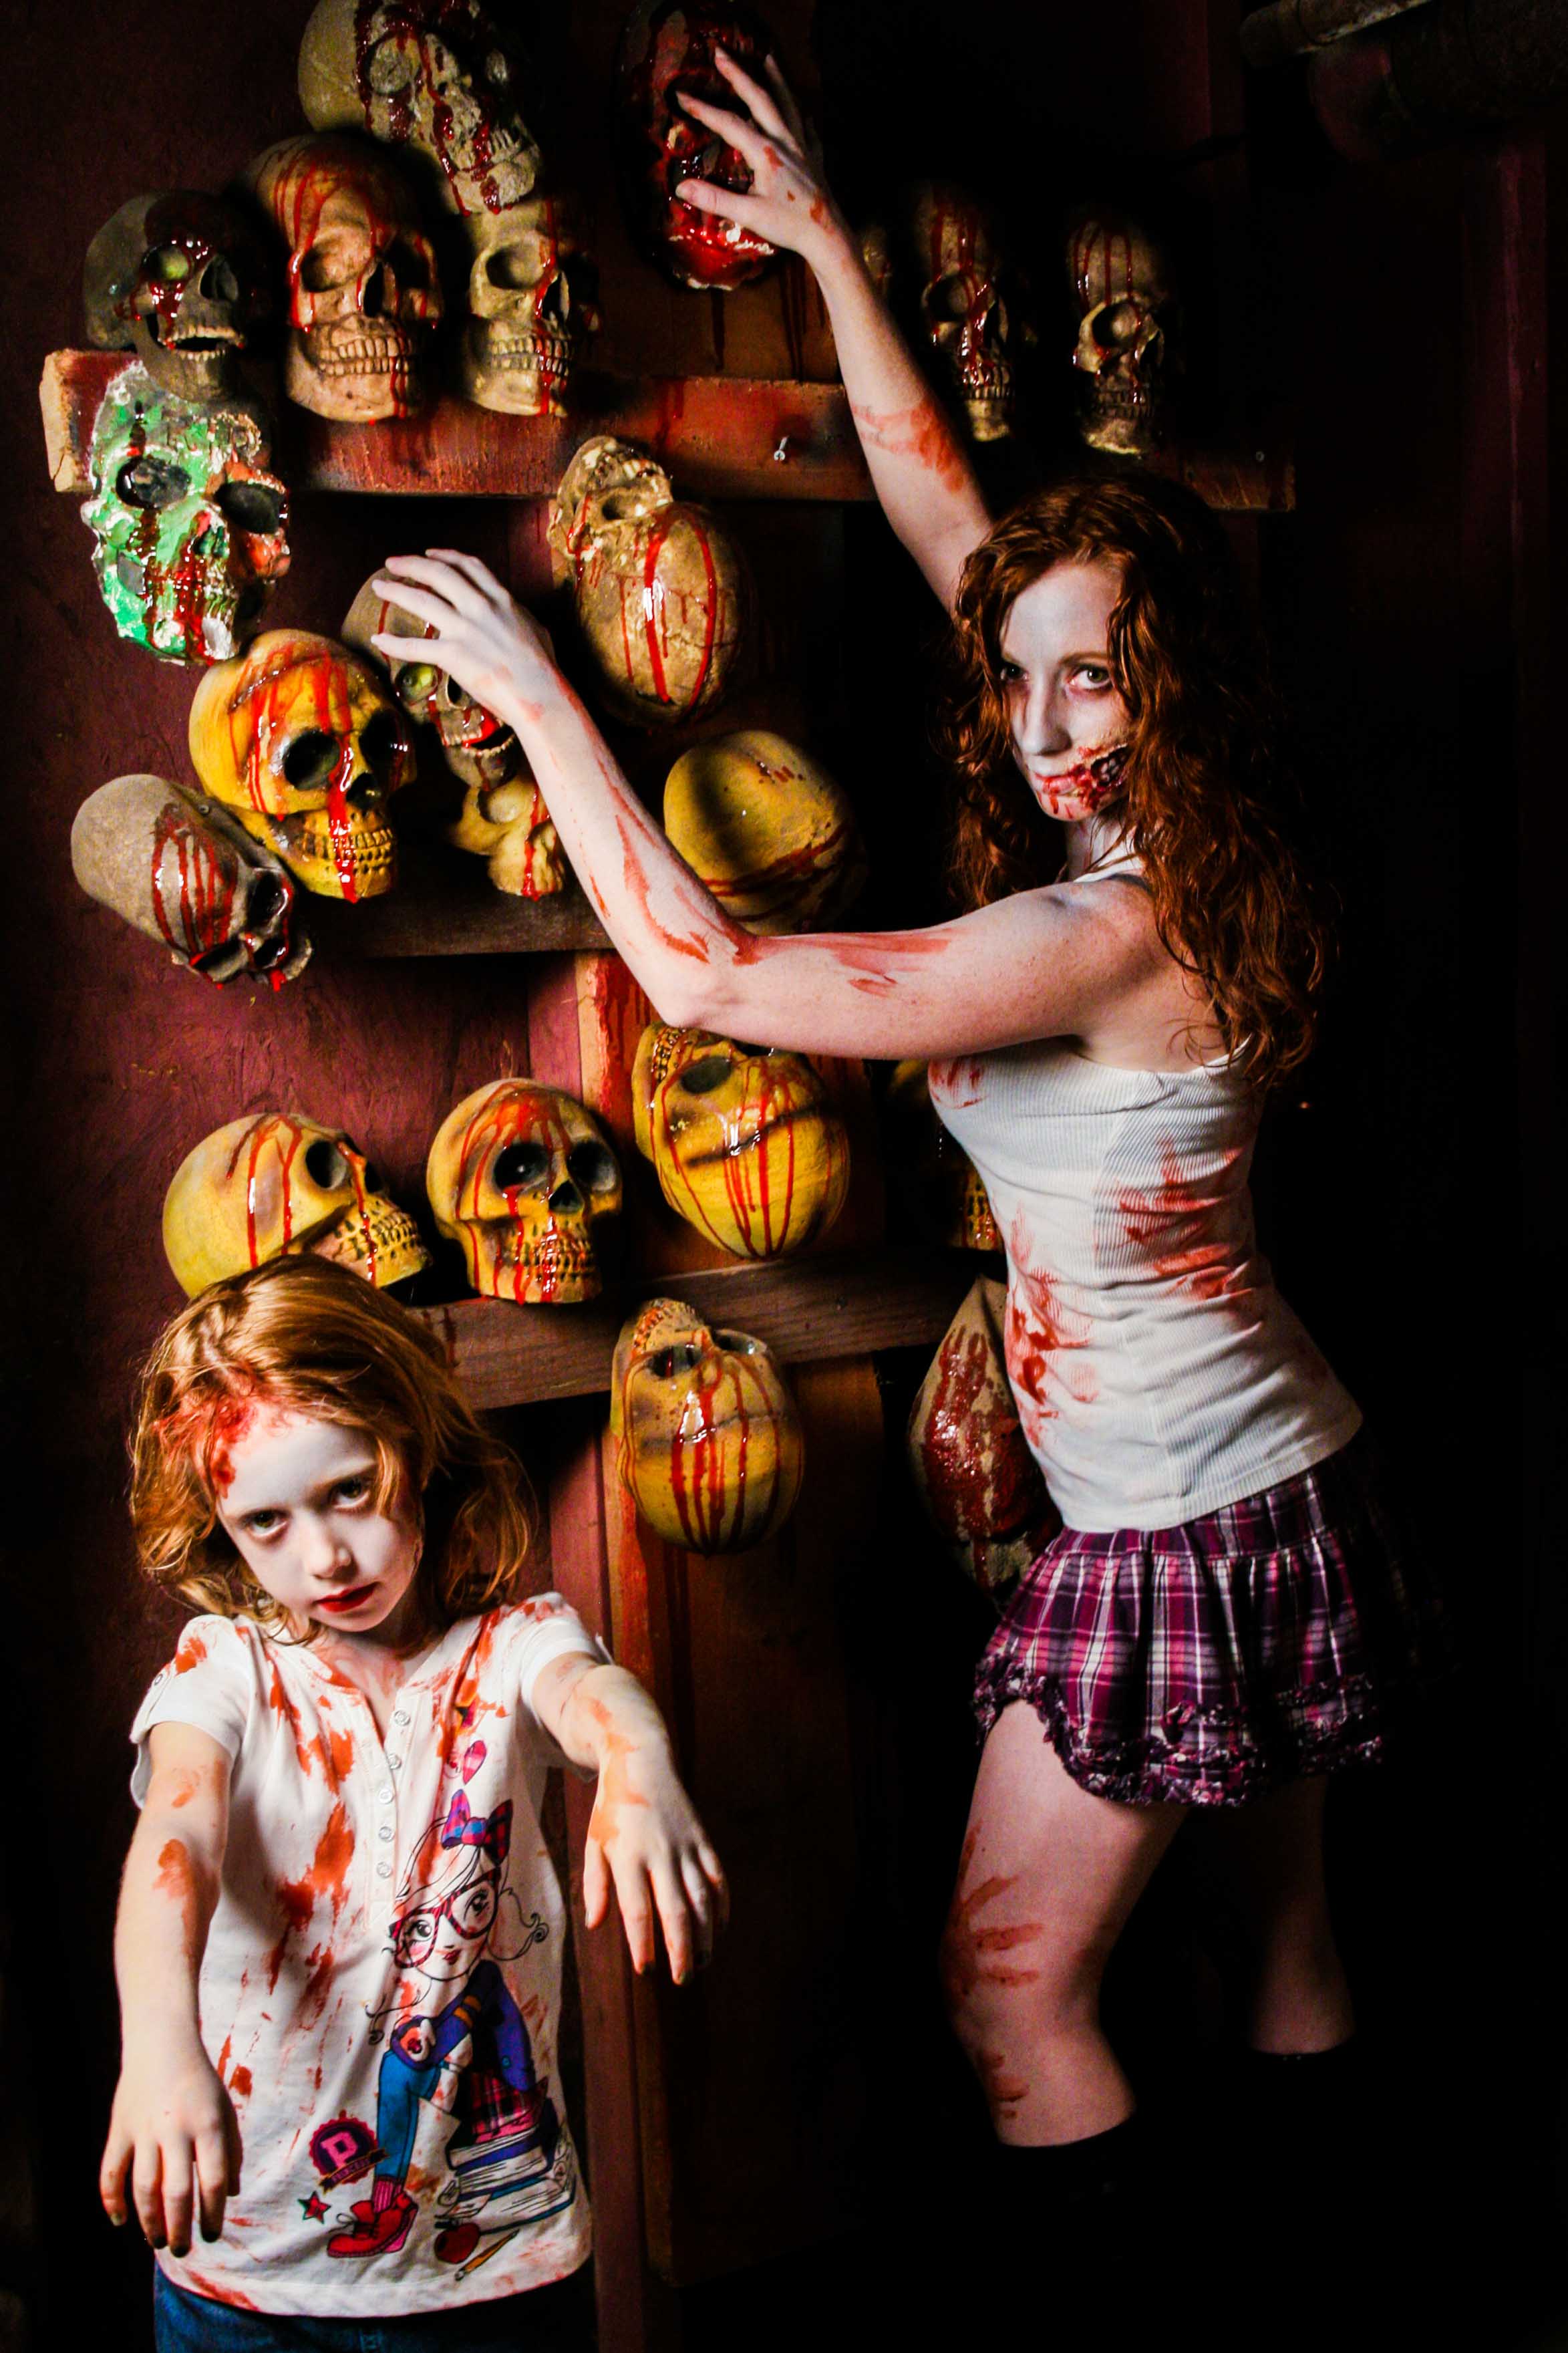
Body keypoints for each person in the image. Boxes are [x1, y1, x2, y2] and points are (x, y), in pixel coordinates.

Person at [364, 47, 1444, 2271]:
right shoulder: (1184, 836)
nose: (1039, 731)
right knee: (1278, 1951)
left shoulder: (1102, 930)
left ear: (1172, 685)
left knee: (1003, 1993)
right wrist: (825, 252)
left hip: (1180, 1525)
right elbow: (963, 525)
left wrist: (542, 692)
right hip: (1271, 1474)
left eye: (1089, 687)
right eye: (1023, 682)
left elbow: (713, 976)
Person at [101, 1254, 726, 2351]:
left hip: (494, 2265)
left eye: (350, 1489)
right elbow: (177, 1842)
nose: (325, 1555)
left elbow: (587, 1693)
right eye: (265, 1521)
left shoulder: (513, 1643)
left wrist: (639, 1757)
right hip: (247, 2276)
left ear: (415, 1440)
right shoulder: (224, 1672)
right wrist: (156, 2044)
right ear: (221, 1524)